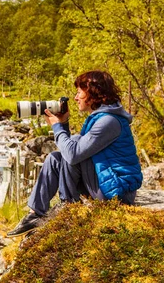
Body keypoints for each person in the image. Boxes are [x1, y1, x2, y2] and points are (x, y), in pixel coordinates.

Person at [7, 70, 143, 238]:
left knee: (69, 154)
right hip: (105, 183)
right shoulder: (101, 118)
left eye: (79, 92)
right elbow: (73, 148)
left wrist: (57, 127)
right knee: (54, 158)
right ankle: (36, 213)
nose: (76, 97)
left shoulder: (109, 121)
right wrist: (63, 124)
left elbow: (73, 155)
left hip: (117, 193)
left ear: (94, 93)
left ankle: (67, 206)